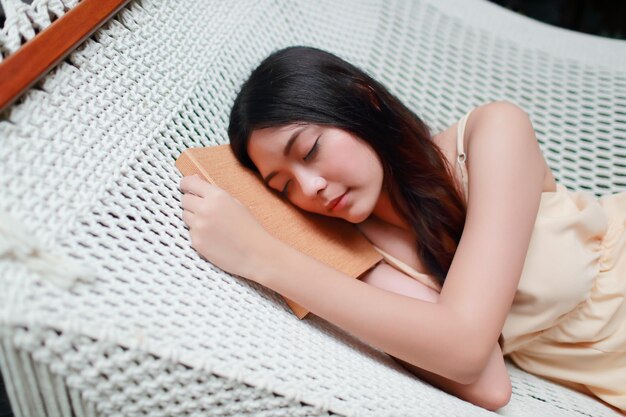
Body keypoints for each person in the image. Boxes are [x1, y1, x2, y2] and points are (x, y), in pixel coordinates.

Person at [179, 45, 626, 413]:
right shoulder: (366, 255)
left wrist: (264, 258)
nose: (310, 187)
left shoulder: (492, 132)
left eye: (311, 149)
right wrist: (327, 253)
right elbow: (487, 384)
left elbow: (466, 346)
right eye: (284, 186)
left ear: (362, 99)